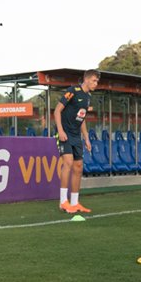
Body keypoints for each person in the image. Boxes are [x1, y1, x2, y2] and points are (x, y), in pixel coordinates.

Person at [54, 70, 99, 213]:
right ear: (86, 79)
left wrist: (86, 138)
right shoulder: (72, 90)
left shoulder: (87, 97)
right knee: (68, 163)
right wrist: (60, 131)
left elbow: (82, 118)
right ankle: (63, 202)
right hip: (65, 134)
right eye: (93, 80)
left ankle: (74, 202)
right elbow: (57, 111)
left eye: (97, 81)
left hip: (76, 136)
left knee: (78, 166)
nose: (95, 84)